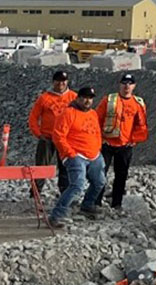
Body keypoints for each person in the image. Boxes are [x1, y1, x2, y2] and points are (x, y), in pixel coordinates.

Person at [49, 86, 105, 227]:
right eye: (85, 97)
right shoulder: (68, 113)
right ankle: (57, 215)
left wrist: (98, 147)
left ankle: (87, 204)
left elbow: (97, 132)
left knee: (99, 182)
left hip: (94, 154)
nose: (88, 101)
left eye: (90, 98)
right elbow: (58, 136)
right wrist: (70, 153)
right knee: (77, 185)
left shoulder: (93, 113)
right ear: (78, 98)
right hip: (76, 155)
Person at [95, 73, 148, 210]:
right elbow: (96, 119)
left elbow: (141, 124)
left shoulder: (138, 103)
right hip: (107, 144)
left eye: (130, 83)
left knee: (121, 175)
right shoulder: (109, 100)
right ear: (120, 84)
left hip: (125, 146)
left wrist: (134, 139)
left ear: (134, 86)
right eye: (124, 83)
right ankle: (96, 202)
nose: (127, 86)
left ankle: (116, 203)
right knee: (100, 173)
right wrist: (99, 138)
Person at [28, 70, 76, 195]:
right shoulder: (44, 98)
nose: (60, 84)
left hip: (65, 138)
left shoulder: (73, 98)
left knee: (65, 166)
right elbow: (33, 118)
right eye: (58, 81)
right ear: (53, 82)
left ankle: (65, 193)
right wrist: (38, 134)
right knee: (41, 167)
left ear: (67, 82)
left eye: (63, 81)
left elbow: (81, 117)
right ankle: (35, 193)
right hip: (47, 138)